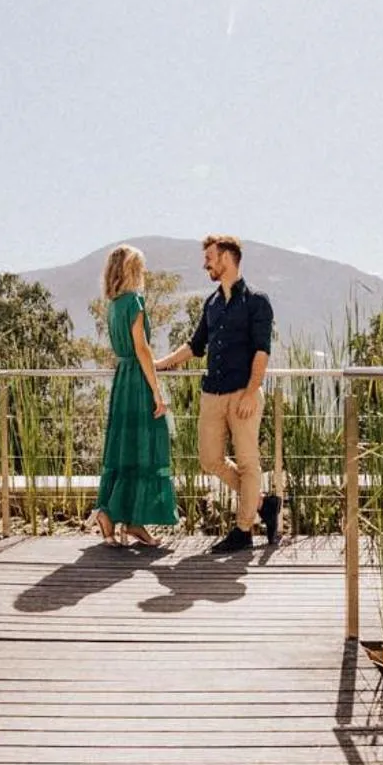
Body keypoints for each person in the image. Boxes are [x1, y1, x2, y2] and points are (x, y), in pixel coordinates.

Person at [156, 234, 276, 552]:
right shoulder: (211, 303)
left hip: (243, 394)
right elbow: (195, 346)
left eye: (209, 256)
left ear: (226, 257)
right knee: (209, 459)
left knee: (248, 464)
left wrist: (252, 393)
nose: (205, 262)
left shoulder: (257, 301)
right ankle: (263, 504)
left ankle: (244, 530)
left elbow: (262, 352)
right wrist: (158, 365)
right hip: (212, 394)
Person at [93, 244, 177, 548]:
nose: (143, 273)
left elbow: (128, 350)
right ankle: (125, 518)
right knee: (145, 446)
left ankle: (120, 519)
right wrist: (157, 391)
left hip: (122, 380)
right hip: (138, 383)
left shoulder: (114, 305)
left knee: (124, 447)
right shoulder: (135, 302)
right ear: (131, 270)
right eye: (139, 267)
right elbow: (142, 348)